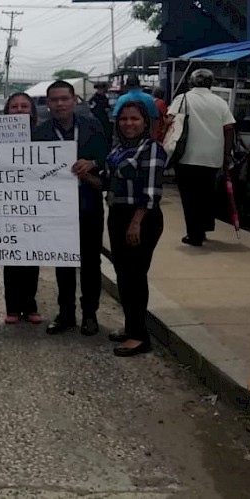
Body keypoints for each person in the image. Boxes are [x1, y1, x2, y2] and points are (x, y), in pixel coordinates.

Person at [39, 80, 108, 337]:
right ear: (48, 104)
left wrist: (92, 163)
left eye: (64, 99)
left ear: (74, 100)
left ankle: (89, 314)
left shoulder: (93, 127)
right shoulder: (42, 132)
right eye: (54, 100)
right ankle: (65, 313)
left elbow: (107, 157)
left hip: (88, 205)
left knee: (91, 262)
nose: (59, 104)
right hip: (57, 210)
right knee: (63, 263)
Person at [104, 100, 167, 356]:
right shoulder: (120, 148)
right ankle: (131, 327)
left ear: (145, 122)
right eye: (123, 119)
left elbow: (151, 192)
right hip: (118, 215)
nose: (128, 124)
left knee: (136, 276)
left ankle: (140, 336)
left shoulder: (152, 149)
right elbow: (108, 182)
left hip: (141, 218)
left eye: (134, 119)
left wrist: (136, 222)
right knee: (124, 276)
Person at [166, 68, 235, 247]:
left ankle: (194, 235)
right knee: (206, 195)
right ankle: (202, 230)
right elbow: (229, 129)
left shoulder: (183, 98)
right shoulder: (220, 102)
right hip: (212, 157)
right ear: (211, 83)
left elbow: (170, 120)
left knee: (190, 196)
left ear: (191, 82)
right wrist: (226, 155)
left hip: (187, 156)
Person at [1, 92, 44, 324]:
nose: (19, 110)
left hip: (34, 202)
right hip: (4, 201)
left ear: (32, 111)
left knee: (31, 254)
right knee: (10, 255)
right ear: (7, 111)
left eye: (24, 106)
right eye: (14, 106)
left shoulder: (42, 135)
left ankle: (30, 305)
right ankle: (12, 307)